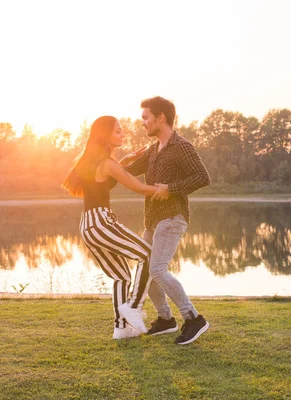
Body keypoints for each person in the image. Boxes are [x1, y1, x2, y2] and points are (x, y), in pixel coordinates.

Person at [124, 96, 211, 345]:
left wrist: (170, 188)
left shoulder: (181, 146)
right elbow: (126, 172)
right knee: (145, 269)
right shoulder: (153, 150)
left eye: (145, 117)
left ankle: (194, 318)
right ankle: (165, 320)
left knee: (157, 269)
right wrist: (112, 163)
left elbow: (203, 177)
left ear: (161, 118)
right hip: (153, 220)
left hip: (172, 216)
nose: (142, 123)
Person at [62, 115, 157, 340]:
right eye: (118, 131)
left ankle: (121, 328)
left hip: (88, 226)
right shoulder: (106, 162)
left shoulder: (92, 160)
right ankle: (134, 306)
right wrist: (168, 189)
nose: (123, 134)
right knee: (147, 254)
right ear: (105, 135)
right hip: (101, 222)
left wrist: (123, 162)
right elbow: (138, 187)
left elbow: (105, 180)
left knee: (122, 276)